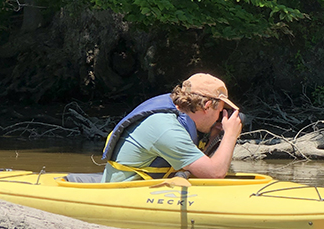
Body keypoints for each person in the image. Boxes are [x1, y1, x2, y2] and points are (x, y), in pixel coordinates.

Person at [101, 73, 243, 182]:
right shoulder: (167, 129)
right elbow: (214, 173)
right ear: (207, 106)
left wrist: (214, 138)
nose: (219, 118)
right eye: (220, 112)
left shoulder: (177, 119)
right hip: (121, 194)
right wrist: (230, 135)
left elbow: (200, 168)